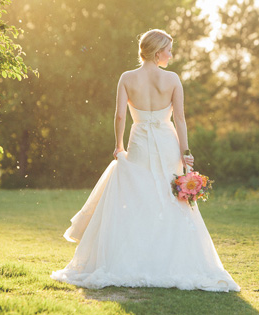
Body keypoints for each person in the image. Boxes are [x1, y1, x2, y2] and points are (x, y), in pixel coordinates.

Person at [51, 29, 240, 291]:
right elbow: (180, 119)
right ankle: (168, 259)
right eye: (169, 49)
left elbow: (119, 116)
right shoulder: (172, 79)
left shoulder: (127, 78)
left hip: (138, 142)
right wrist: (186, 153)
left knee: (138, 196)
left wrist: (118, 146)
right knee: (168, 196)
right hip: (166, 143)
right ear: (157, 51)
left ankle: (136, 256)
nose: (171, 55)